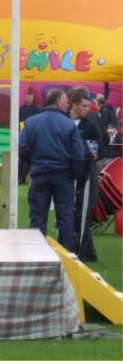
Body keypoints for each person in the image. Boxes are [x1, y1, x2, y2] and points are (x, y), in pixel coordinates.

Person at [18, 88, 84, 252]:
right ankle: (66, 256)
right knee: (65, 218)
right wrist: (74, 174)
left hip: (39, 174)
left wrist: (32, 162)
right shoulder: (69, 124)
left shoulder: (31, 122)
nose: (67, 104)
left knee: (38, 217)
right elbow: (79, 154)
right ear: (57, 102)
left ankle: (37, 254)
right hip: (64, 175)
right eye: (65, 101)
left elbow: (22, 148)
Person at [68, 87, 102, 262]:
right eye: (84, 106)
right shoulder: (64, 122)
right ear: (73, 105)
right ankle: (83, 252)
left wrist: (89, 153)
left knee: (82, 215)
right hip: (66, 175)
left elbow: (98, 152)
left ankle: (80, 253)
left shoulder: (91, 126)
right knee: (67, 213)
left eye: (89, 106)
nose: (88, 109)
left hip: (86, 175)